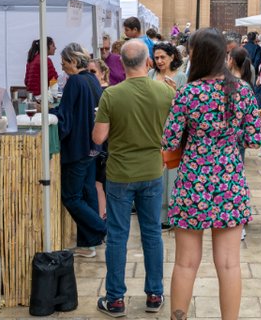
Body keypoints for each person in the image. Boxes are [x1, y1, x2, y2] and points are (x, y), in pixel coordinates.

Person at [162, 28, 261, 320]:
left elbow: (168, 141)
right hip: (229, 184)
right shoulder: (242, 90)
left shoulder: (188, 93)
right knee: (229, 265)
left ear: (195, 55)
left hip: (193, 183)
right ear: (224, 55)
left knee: (185, 264)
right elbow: (255, 138)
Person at [92, 39, 174, 317]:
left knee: (118, 235)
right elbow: (173, 132)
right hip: (152, 170)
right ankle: (154, 294)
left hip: (120, 172)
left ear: (122, 63)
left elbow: (99, 137)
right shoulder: (164, 91)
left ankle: (115, 299)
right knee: (152, 233)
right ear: (148, 61)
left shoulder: (112, 95)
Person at [52, 44, 106, 257]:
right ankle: (88, 242)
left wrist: (49, 113)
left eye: (64, 61)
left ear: (73, 61)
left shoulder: (74, 81)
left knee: (71, 196)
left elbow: (66, 117)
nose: (62, 65)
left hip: (78, 147)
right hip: (92, 146)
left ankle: (101, 229)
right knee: (87, 191)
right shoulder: (92, 79)